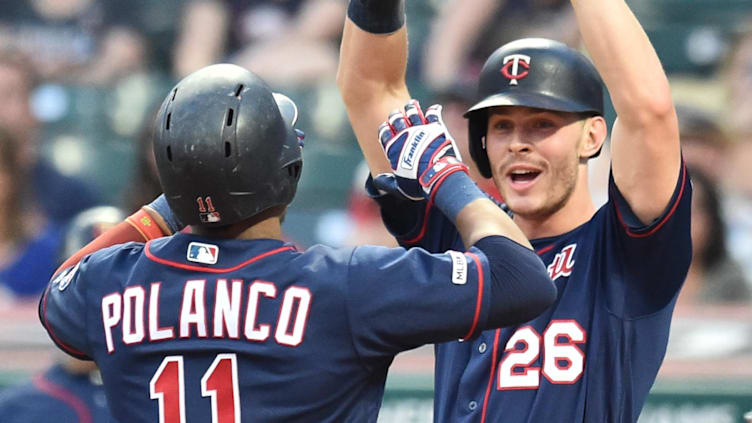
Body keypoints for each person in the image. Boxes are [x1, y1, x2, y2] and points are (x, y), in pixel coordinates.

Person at [38, 63, 556, 422]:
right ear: (285, 173)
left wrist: (186, 192)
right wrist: (445, 173)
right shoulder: (344, 286)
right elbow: (522, 278)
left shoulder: (111, 282)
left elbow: (58, 294)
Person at [337, 0, 691, 421]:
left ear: (592, 136)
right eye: (501, 126)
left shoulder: (622, 253)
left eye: (542, 124)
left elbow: (648, 111)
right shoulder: (459, 227)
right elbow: (370, 90)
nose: (518, 143)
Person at [0, 206, 123, 422]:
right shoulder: (17, 408)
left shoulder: (168, 391)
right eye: (85, 285)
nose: (100, 302)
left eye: (117, 287)